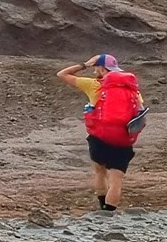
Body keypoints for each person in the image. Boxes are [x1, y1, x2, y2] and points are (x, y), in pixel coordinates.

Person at [55, 54, 144, 211]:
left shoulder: (94, 85)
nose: (94, 70)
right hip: (123, 140)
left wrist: (85, 64)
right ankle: (109, 214)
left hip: (99, 138)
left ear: (102, 69)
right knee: (116, 180)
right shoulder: (132, 90)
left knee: (100, 173)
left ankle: (101, 208)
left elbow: (62, 74)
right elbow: (140, 113)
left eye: (96, 68)